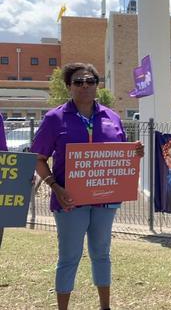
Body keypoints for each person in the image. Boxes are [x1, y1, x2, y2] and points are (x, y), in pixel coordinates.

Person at [31, 63, 144, 310]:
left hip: (105, 201)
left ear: (97, 85)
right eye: (78, 82)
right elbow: (38, 158)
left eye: (90, 81)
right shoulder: (54, 118)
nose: (85, 86)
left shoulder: (112, 117)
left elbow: (123, 154)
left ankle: (105, 306)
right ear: (69, 86)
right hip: (69, 201)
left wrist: (135, 152)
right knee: (69, 258)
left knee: (101, 254)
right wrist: (55, 187)